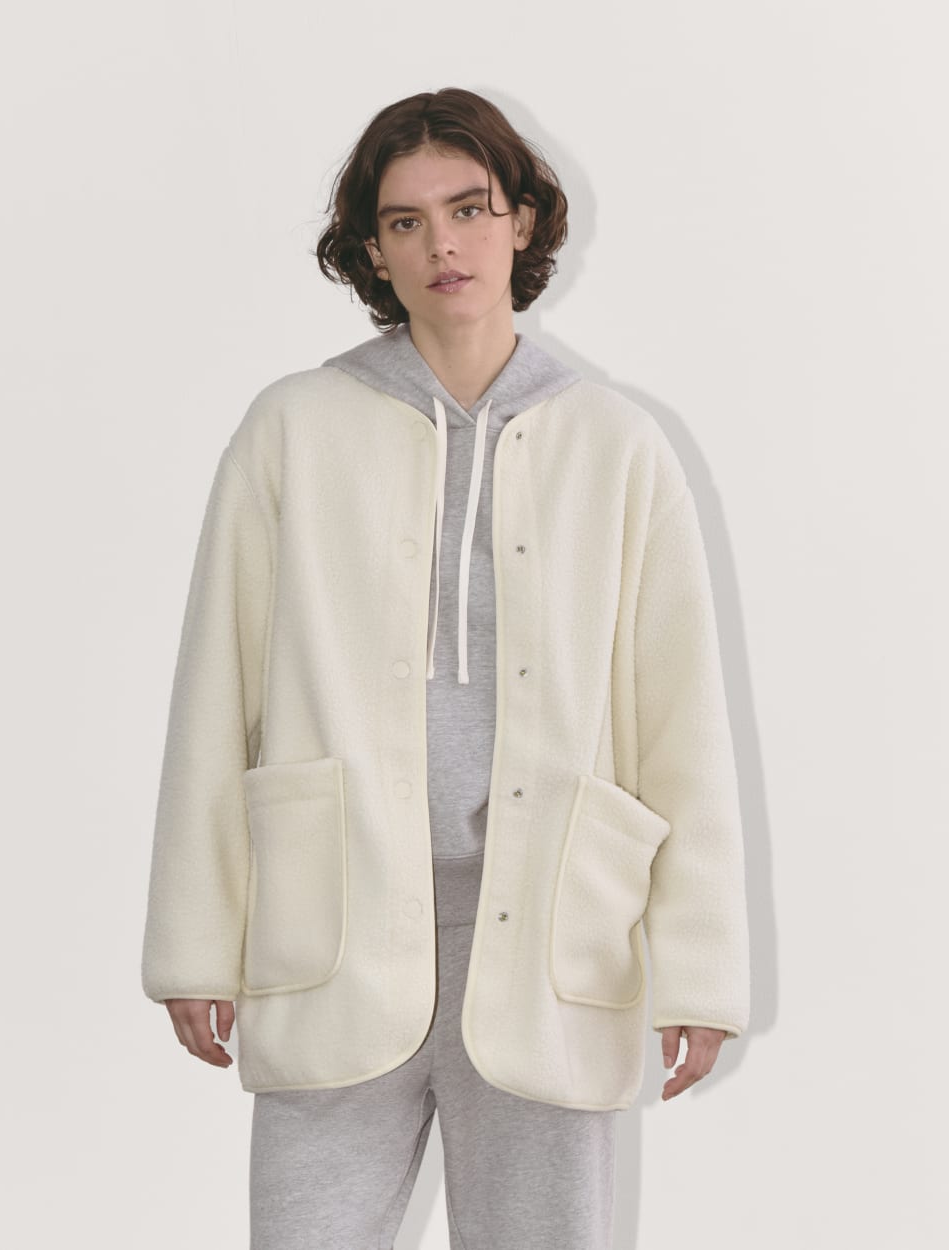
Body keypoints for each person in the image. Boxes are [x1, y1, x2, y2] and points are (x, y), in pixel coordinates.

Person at [141, 87, 751, 1249]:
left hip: (548, 939)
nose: (443, 245)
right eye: (405, 221)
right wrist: (194, 939)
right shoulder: (293, 428)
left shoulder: (616, 444)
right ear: (373, 251)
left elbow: (685, 722)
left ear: (520, 220)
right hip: (330, 929)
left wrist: (700, 970)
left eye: (469, 208)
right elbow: (217, 691)